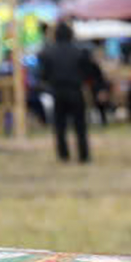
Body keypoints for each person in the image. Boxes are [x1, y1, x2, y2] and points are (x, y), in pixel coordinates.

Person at [36, 20, 91, 164]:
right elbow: (87, 71)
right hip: (76, 91)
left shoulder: (47, 53)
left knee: (59, 126)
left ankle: (63, 155)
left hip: (57, 91)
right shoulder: (79, 51)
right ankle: (83, 155)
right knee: (80, 126)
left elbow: (42, 75)